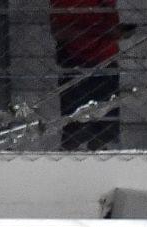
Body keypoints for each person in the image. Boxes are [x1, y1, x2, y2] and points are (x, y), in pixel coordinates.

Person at [51, 0, 122, 150]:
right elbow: (59, 31)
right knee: (74, 130)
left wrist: (107, 30)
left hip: (103, 59)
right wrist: (99, 31)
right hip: (76, 60)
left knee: (103, 131)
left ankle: (98, 154)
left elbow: (113, 26)